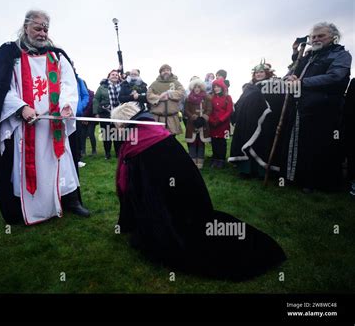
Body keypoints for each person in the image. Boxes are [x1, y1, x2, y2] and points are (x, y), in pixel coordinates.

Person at [111, 102, 286, 281]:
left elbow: (137, 187)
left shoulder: (138, 142)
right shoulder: (156, 132)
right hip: (190, 196)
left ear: (123, 124)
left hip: (171, 209)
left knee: (185, 236)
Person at [0, 9, 90, 225]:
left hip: (55, 125)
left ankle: (69, 200)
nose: (42, 33)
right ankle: (31, 207)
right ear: (25, 27)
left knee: (64, 163)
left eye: (45, 29)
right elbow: (0, 88)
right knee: (31, 166)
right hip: (27, 126)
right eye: (37, 28)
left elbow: (68, 83)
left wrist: (66, 106)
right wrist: (22, 108)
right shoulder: (9, 54)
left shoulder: (56, 55)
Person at [283, 22, 352, 193]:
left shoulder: (341, 55)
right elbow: (291, 73)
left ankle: (316, 182)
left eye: (321, 36)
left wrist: (302, 82)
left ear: (333, 37)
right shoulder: (307, 56)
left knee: (319, 144)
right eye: (313, 36)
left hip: (324, 109)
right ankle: (295, 177)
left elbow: (335, 77)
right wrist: (290, 78)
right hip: (300, 106)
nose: (316, 39)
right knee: (298, 142)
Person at [229, 62, 285, 178]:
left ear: (267, 73)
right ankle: (246, 171)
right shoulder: (249, 87)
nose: (258, 74)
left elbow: (277, 104)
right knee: (247, 142)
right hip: (247, 122)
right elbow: (241, 103)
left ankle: (261, 171)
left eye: (261, 72)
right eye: (256, 72)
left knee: (262, 145)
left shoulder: (273, 86)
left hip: (265, 122)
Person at [146, 64, 185, 135]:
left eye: (167, 70)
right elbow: (149, 95)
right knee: (158, 140)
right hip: (158, 118)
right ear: (160, 72)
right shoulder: (155, 84)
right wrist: (160, 97)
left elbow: (181, 93)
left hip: (172, 118)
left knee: (172, 139)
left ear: (170, 72)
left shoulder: (176, 83)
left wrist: (169, 94)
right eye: (163, 71)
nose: (166, 72)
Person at [93, 69, 122, 159]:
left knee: (117, 135)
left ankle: (118, 153)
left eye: (116, 75)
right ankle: (107, 153)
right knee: (106, 135)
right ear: (108, 76)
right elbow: (96, 100)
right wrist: (96, 113)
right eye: (112, 74)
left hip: (118, 115)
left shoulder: (122, 86)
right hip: (105, 114)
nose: (114, 76)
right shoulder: (102, 87)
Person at [184, 77, 212, 169]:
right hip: (192, 123)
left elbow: (209, 109)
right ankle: (192, 161)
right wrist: (193, 117)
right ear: (192, 88)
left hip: (203, 123)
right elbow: (186, 110)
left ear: (201, 88)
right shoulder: (188, 99)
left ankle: (200, 162)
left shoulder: (207, 97)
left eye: (198, 87)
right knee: (192, 142)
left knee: (201, 142)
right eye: (195, 87)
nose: (197, 89)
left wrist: (203, 117)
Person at [208, 78, 233, 169]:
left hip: (223, 124)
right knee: (214, 141)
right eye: (214, 87)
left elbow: (229, 111)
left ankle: (221, 159)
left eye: (218, 86)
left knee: (222, 142)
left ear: (222, 87)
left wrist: (221, 120)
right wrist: (211, 120)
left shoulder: (228, 98)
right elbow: (209, 110)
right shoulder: (212, 98)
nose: (216, 88)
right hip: (213, 124)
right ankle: (215, 158)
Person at [79, 87, 97, 157]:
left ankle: (94, 150)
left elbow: (90, 106)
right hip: (82, 117)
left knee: (91, 133)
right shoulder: (80, 93)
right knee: (82, 135)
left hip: (91, 117)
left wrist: (84, 116)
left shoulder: (91, 94)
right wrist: (83, 117)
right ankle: (83, 150)